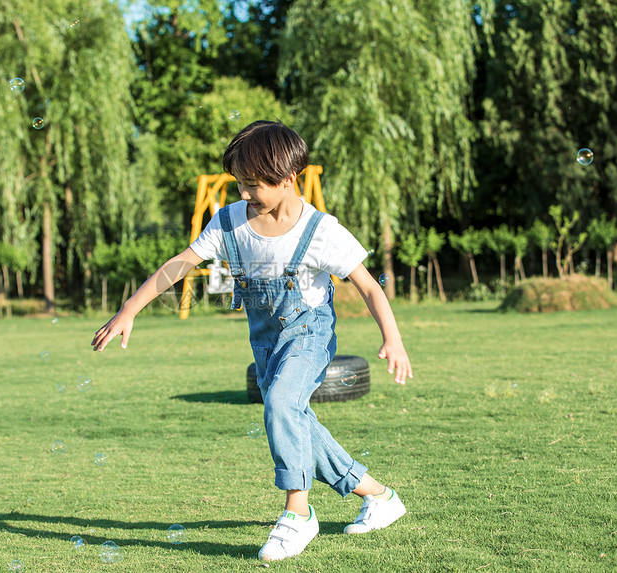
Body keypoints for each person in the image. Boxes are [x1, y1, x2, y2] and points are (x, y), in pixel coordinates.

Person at [92, 120, 413, 562]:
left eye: (253, 185)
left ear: (288, 179)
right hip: (264, 341)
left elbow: (370, 286)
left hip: (309, 334)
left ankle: (297, 514)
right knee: (294, 418)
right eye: (240, 184)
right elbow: (181, 263)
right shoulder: (228, 223)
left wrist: (392, 340)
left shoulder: (321, 231)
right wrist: (129, 309)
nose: (244, 194)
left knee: (281, 404)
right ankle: (379, 496)